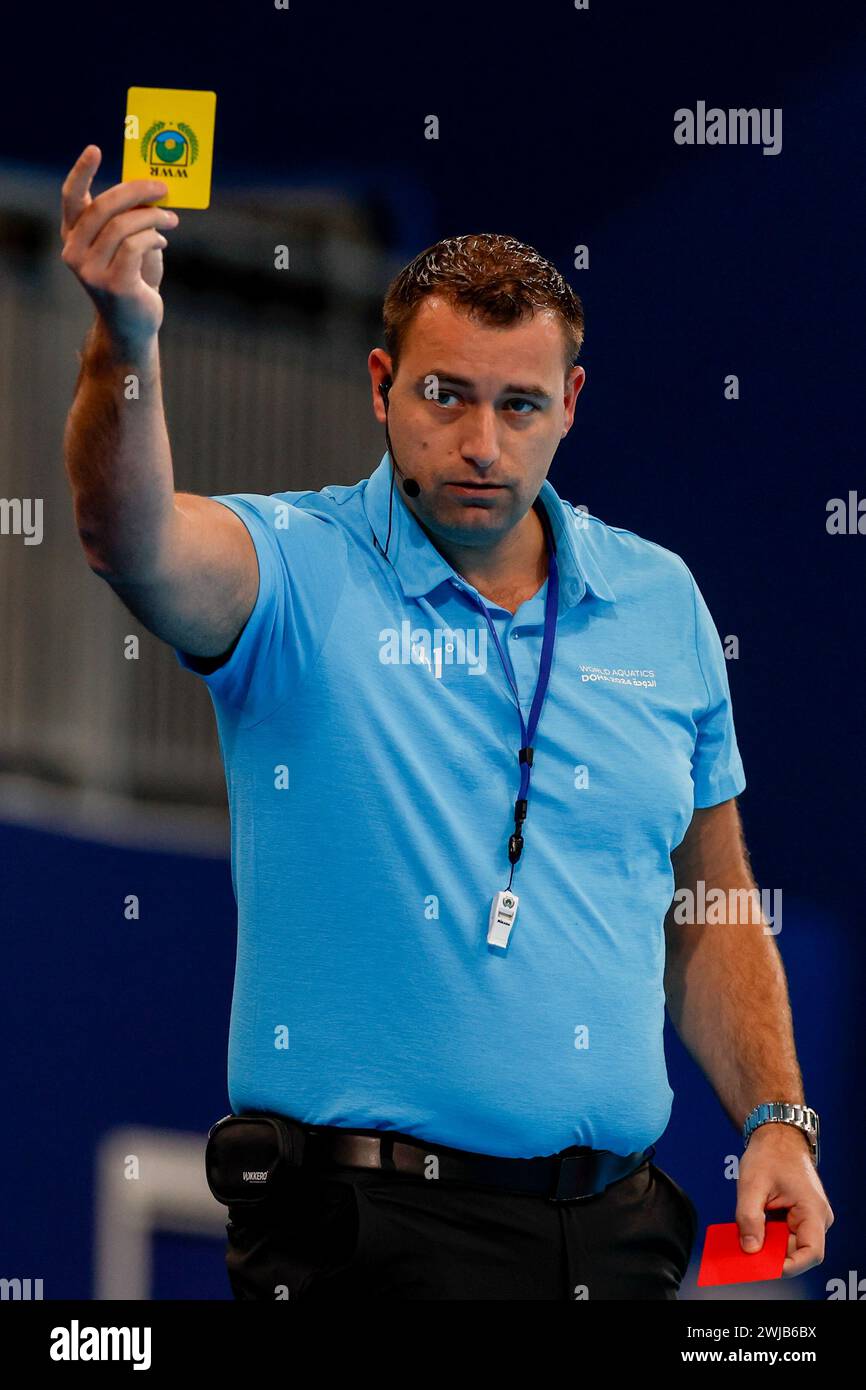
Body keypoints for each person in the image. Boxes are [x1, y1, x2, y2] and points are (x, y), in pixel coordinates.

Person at [60, 144, 833, 1301]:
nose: (480, 444)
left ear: (567, 405)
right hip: (365, 1239)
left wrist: (776, 1117)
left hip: (615, 1236)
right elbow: (130, 536)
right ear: (380, 386)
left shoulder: (661, 601)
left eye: (518, 404)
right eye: (444, 395)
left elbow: (709, 900)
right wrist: (125, 343)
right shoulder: (294, 571)